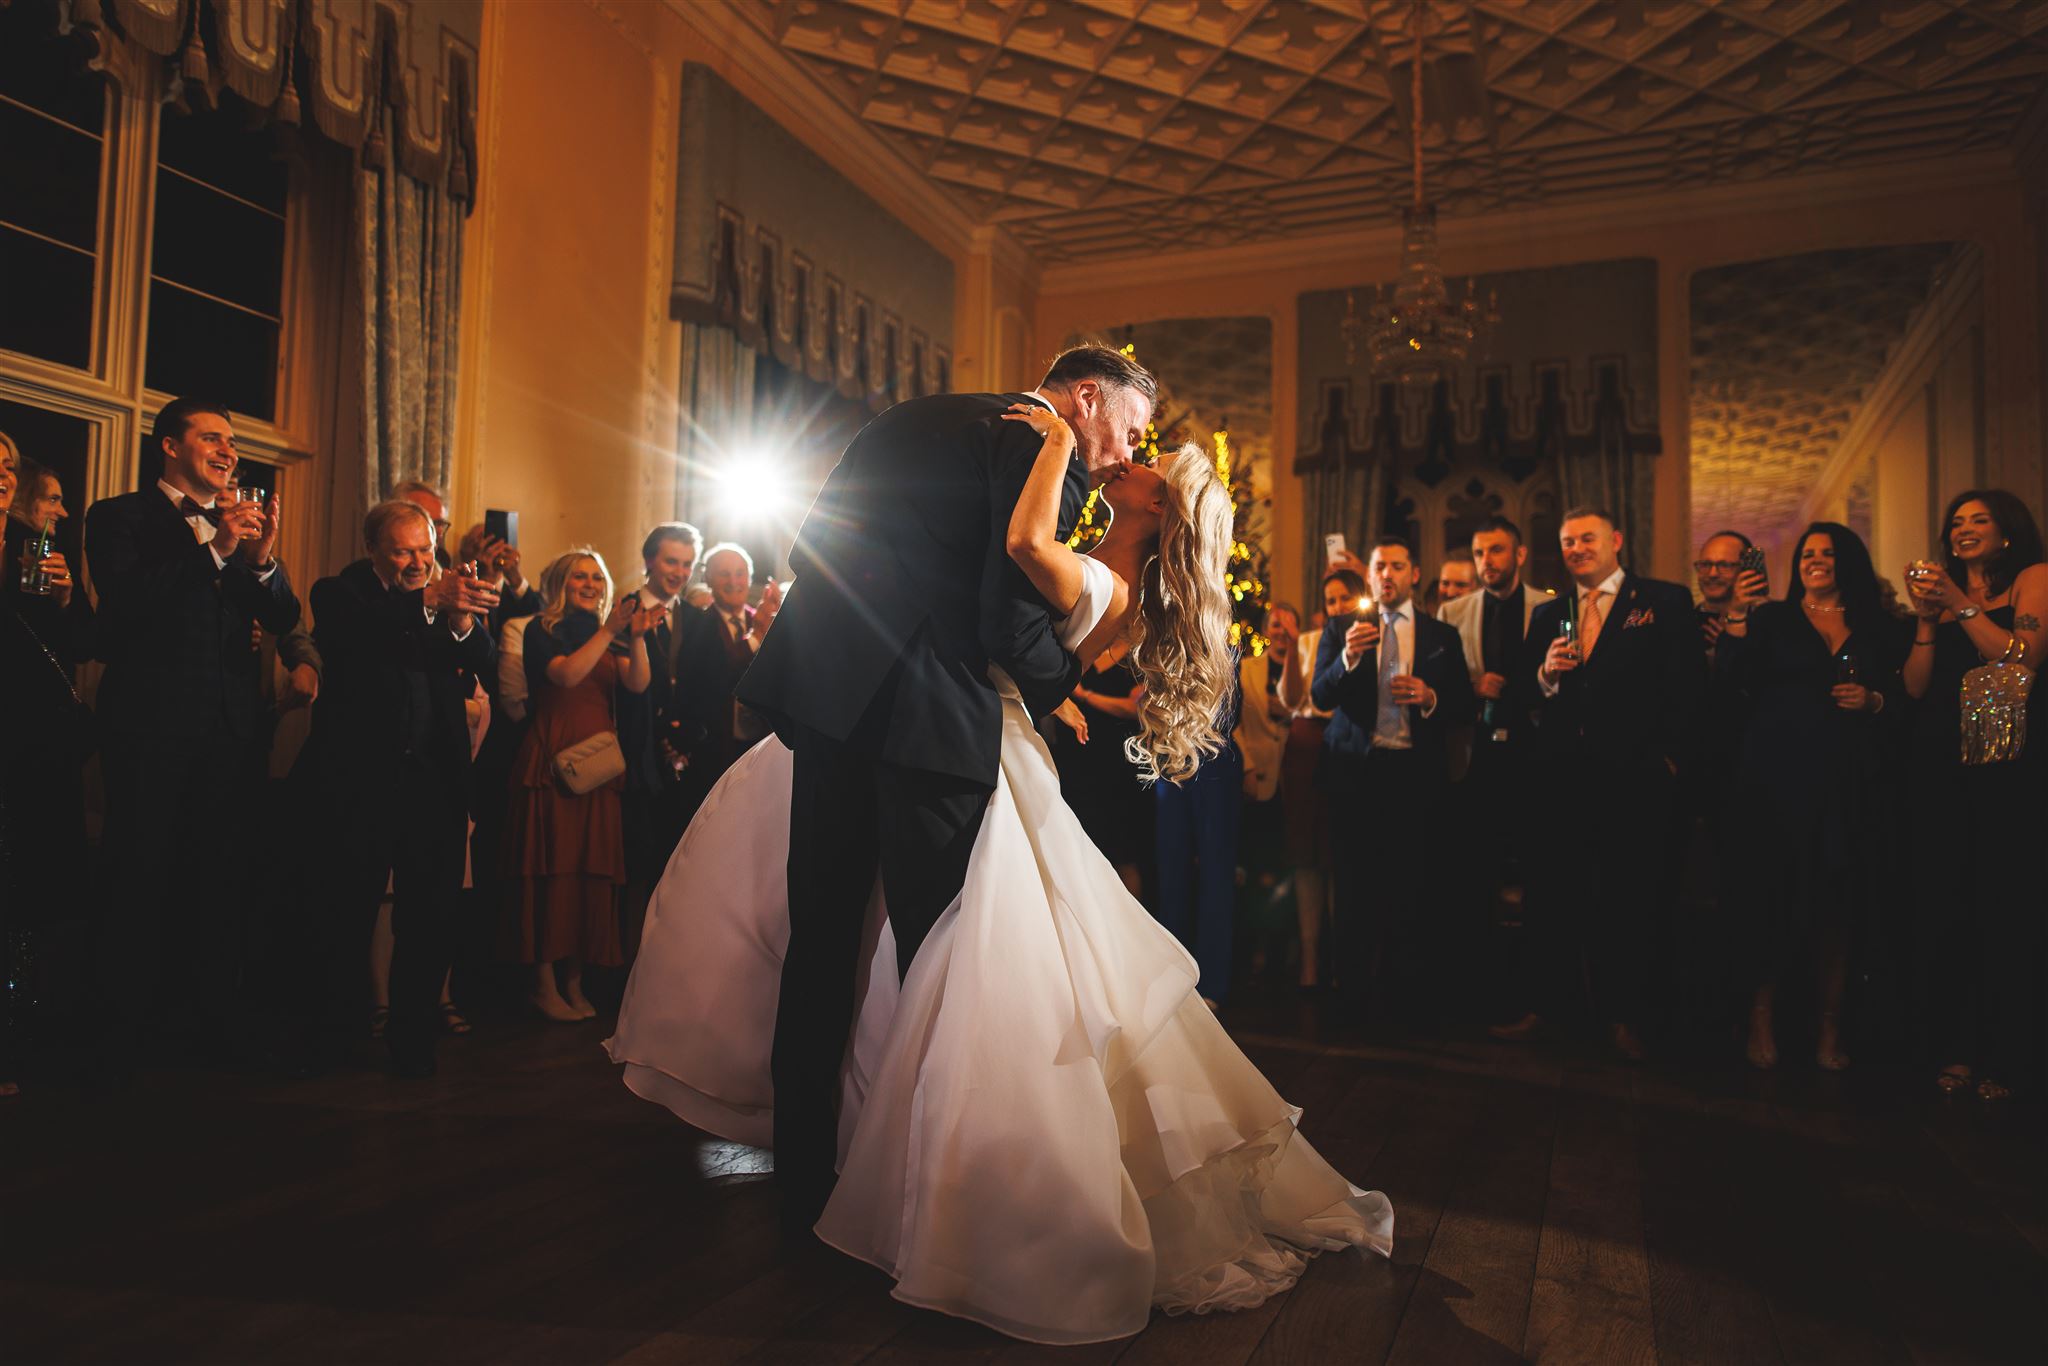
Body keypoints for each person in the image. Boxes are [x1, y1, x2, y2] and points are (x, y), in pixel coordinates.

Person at [612, 391, 1392, 1344]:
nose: (1131, 456)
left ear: (1158, 509)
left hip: (941, 736)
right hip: (952, 736)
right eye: (1132, 435)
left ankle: (906, 1189)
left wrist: (1061, 443)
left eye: (1147, 461)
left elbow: (1018, 596)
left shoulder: (1073, 536)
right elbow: (1005, 599)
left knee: (928, 963)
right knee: (926, 960)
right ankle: (890, 1177)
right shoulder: (1056, 490)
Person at [84, 397, 300, 1070]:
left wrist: (261, 559)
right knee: (139, 874)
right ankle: (121, 1035)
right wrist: (218, 546)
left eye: (233, 442)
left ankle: (210, 1028)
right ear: (170, 446)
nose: (229, 450)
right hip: (149, 725)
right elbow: (128, 600)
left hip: (229, 731)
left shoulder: (234, 527)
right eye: (213, 437)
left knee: (218, 881)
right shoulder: (121, 517)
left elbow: (283, 614)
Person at [291, 501, 497, 1077]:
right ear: (374, 549)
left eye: (426, 551)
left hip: (435, 782)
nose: (418, 562)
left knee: (429, 919)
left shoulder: (443, 600)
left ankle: (413, 1045)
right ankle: (332, 1040)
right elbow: (359, 634)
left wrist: (460, 621)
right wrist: (431, 600)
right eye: (404, 551)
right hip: (360, 784)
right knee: (344, 914)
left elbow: (482, 657)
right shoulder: (340, 593)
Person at [1495, 508, 1701, 1061]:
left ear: (1615, 540)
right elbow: (1521, 693)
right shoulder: (1549, 613)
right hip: (1562, 780)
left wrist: (1670, 762)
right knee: (1553, 897)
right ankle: (1548, 1008)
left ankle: (1626, 1018)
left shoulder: (1662, 602)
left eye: (1586, 538)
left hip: (1634, 779)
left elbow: (1686, 688)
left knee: (1628, 899)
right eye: (1566, 542)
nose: (1576, 548)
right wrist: (1545, 673)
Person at [1716, 523, 1904, 1071]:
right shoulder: (1772, 617)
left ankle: (1828, 1031)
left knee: (1836, 908)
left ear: (1846, 562)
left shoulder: (1875, 625)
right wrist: (1736, 615)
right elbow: (1731, 682)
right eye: (1807, 554)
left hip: (1846, 777)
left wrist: (1872, 701)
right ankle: (1761, 1021)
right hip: (1775, 776)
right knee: (1772, 900)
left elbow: (1904, 695)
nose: (1815, 561)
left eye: (1826, 553)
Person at [1900, 489, 2046, 1102]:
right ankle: (1955, 1048)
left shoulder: (2033, 578)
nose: (1963, 529)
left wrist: (1960, 604)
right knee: (1950, 908)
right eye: (1956, 522)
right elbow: (1913, 688)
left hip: (2012, 771)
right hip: (1946, 770)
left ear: (2006, 532)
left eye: (1978, 520)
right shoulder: (1944, 598)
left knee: (2007, 911)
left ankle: (2007, 1057)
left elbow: (2021, 661)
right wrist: (1928, 619)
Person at [1310, 536, 1473, 1023]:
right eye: (1379, 567)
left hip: (1413, 775)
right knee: (1354, 888)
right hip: (1355, 774)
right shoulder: (1342, 628)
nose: (1386, 575)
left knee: (1411, 886)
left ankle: (1406, 999)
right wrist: (1348, 661)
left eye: (1396, 567)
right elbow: (1319, 696)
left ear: (1413, 574)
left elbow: (1464, 705)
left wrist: (1430, 697)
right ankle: (1351, 998)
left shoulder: (1442, 635)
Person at [506, 549, 658, 1022]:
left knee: (588, 871)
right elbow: (568, 675)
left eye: (597, 576)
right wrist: (609, 632)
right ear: (559, 583)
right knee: (552, 871)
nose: (590, 584)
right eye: (579, 576)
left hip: (599, 763)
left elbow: (637, 684)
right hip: (555, 756)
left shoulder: (606, 635)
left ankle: (575, 981)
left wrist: (633, 638)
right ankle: (543, 984)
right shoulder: (540, 629)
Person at [0, 452, 96, 1096]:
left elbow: (84, 640)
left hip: (34, 737)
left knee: (26, 889)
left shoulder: (33, 549)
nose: (62, 510)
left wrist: (64, 600)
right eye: (53, 496)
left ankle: (19, 1038)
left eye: (8, 462)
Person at [1437, 517, 1550, 1010]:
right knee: (1471, 876)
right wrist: (1471, 687)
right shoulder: (1452, 611)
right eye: (1481, 553)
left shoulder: (1548, 607)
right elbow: (1441, 684)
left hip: (1533, 756)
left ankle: (1531, 992)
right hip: (1473, 755)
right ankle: (1474, 989)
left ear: (1519, 555)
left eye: (1497, 551)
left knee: (1536, 877)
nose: (1488, 562)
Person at [619, 522, 719, 948]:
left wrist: (687, 735)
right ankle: (623, 955)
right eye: (670, 561)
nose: (678, 572)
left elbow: (708, 684)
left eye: (686, 564)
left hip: (685, 755)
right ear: (649, 561)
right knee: (632, 861)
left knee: (675, 858)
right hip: (635, 747)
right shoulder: (622, 610)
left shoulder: (697, 619)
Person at [1277, 568, 1360, 988]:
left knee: (1339, 854)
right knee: (1306, 855)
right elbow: (1291, 699)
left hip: (1346, 745)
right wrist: (1293, 646)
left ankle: (1339, 956)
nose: (1338, 607)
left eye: (1346, 598)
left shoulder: (1368, 637)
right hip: (1307, 746)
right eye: (1331, 601)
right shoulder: (1311, 641)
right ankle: (1310, 956)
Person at [1049, 637, 1150, 898]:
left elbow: (1135, 709)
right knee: (1081, 849)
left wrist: (1086, 696)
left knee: (1124, 852)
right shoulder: (1080, 646)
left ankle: (1128, 930)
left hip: (1117, 765)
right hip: (1077, 764)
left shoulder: (1138, 656)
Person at [1694, 529, 1753, 655]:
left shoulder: (1767, 622)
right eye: (1705, 564)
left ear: (1746, 570)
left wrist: (1730, 644)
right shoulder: (1682, 622)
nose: (1712, 574)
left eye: (1724, 565)